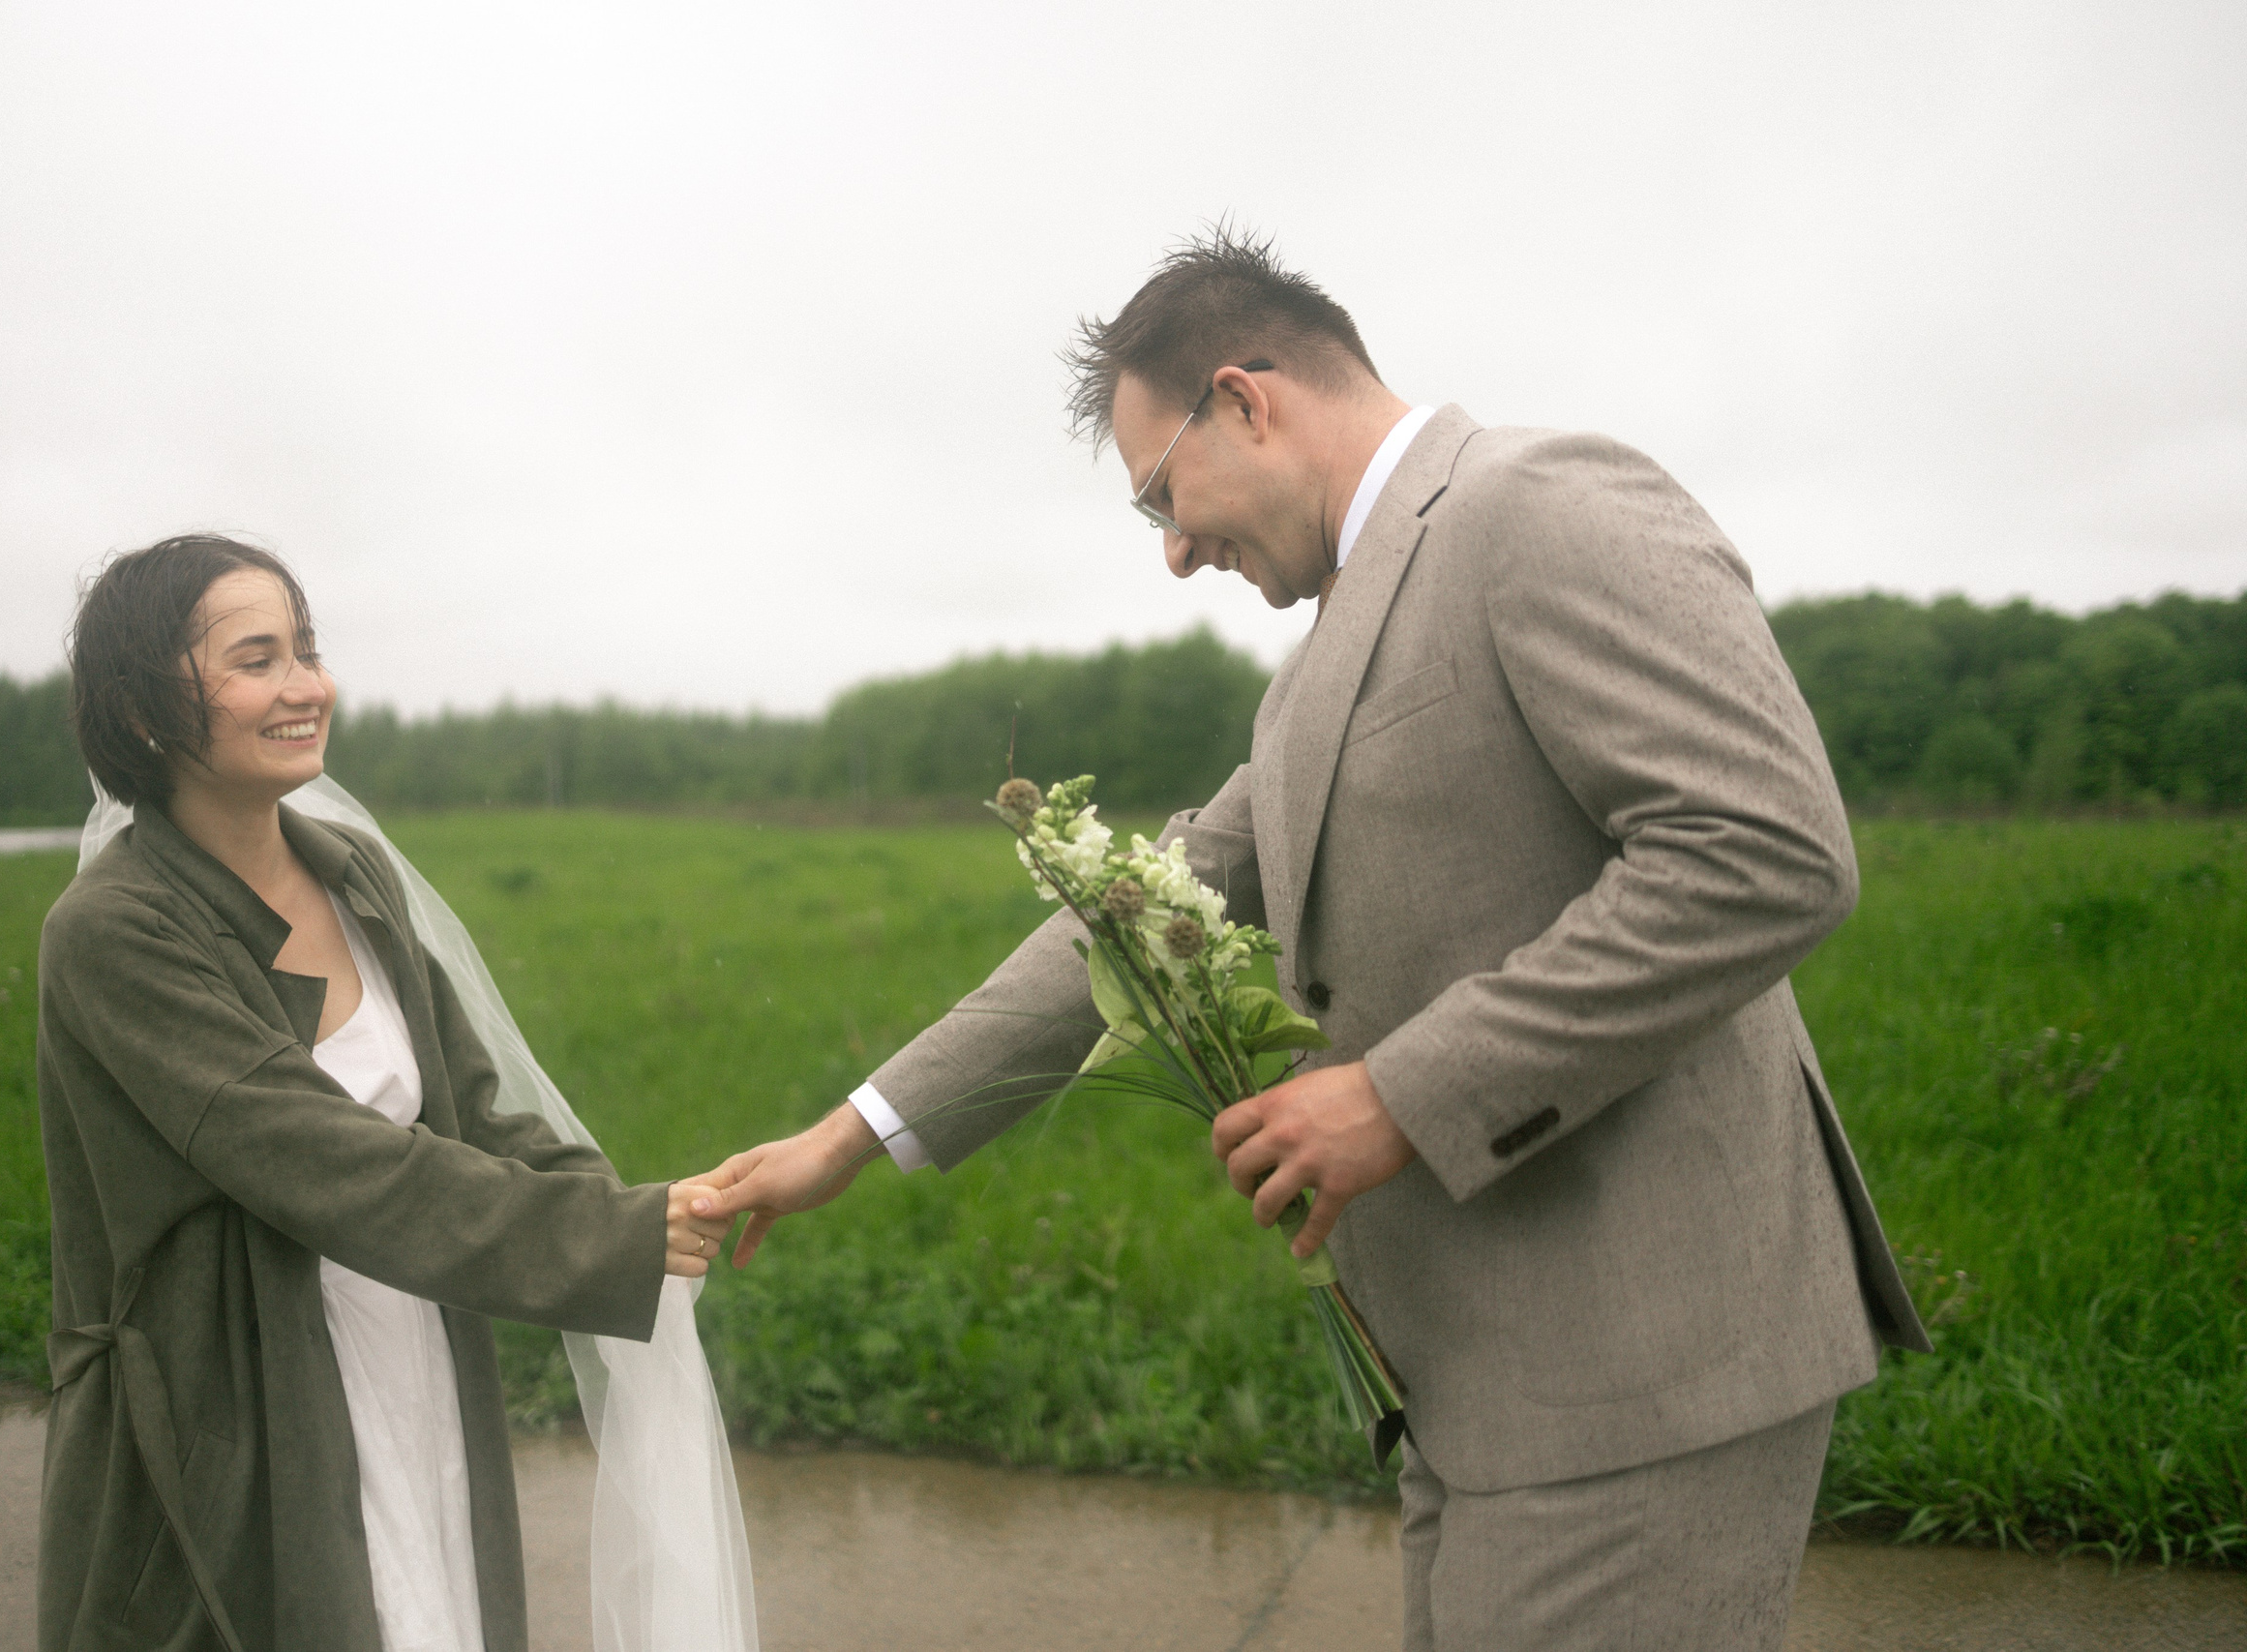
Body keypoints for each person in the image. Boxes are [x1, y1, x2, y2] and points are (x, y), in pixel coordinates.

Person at [699, 228, 1931, 1651]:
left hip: (1646, 1365)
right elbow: (1141, 920)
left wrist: (1402, 1090)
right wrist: (847, 1136)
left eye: (1163, 490)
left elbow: (1768, 848)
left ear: (1248, 397)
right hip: (1474, 1383)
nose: (1171, 550)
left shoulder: (1541, 502)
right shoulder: (1310, 682)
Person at [36, 534, 739, 1652]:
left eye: (306, 650)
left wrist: (657, 1210)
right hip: (240, 1410)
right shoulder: (115, 931)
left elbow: (469, 1109)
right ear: (142, 713)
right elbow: (329, 1163)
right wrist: (605, 1235)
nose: (305, 686)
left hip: (409, 1359)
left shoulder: (351, 875)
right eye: (255, 660)